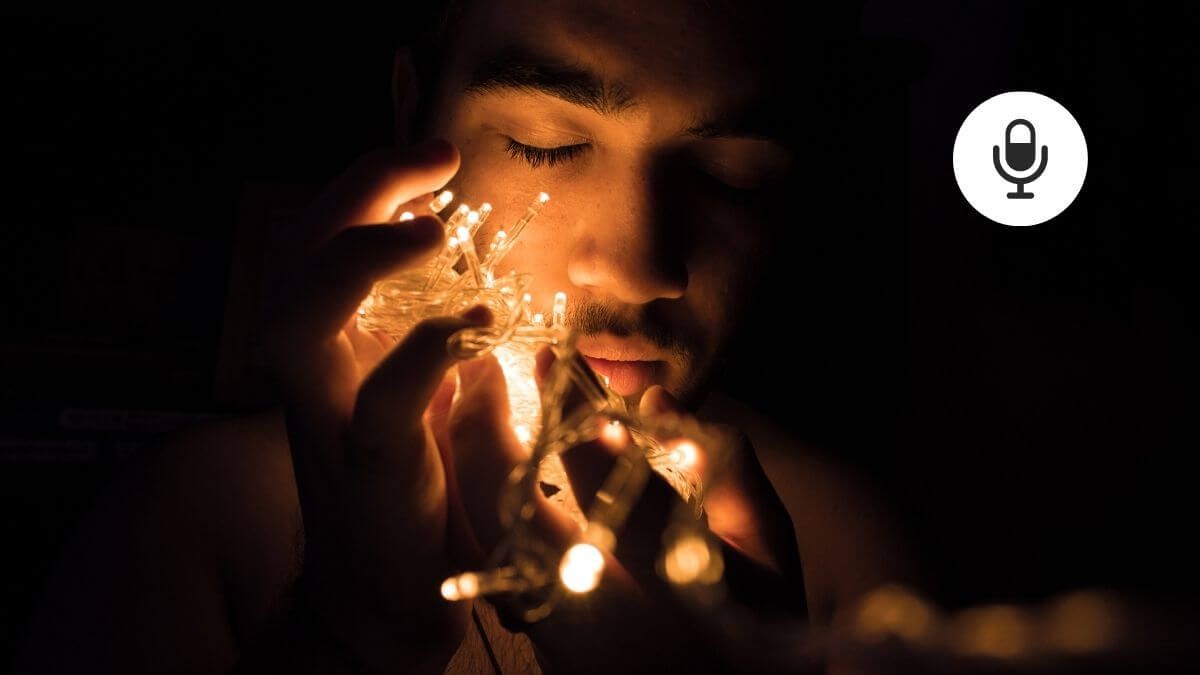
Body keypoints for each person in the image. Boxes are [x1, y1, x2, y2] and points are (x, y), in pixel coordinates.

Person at [21, 1, 917, 673]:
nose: (643, 265)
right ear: (414, 116)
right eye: (544, 144)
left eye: (732, 176)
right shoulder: (196, 536)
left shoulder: (845, 559)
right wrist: (351, 638)